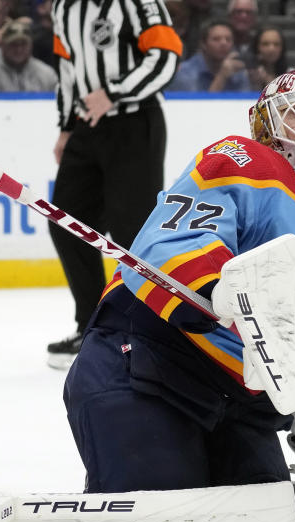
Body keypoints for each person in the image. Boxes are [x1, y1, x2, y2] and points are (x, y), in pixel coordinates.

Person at [62, 65, 295, 492]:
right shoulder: (242, 158)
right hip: (148, 365)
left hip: (240, 406)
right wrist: (216, 288)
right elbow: (175, 238)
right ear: (265, 121)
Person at [45, 0, 182, 368]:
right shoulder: (64, 7)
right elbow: (67, 69)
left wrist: (114, 91)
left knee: (133, 233)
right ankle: (92, 326)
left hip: (135, 124)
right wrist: (65, 127)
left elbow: (166, 56)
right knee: (66, 221)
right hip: (87, 126)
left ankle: (145, 330)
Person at [0, 19, 57, 90]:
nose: (19, 49)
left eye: (23, 44)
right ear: (2, 45)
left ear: (31, 45)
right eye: (13, 44)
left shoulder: (46, 74)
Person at [167, 19, 249, 91]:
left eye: (228, 39)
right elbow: (197, 107)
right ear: (203, 44)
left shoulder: (238, 72)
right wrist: (222, 76)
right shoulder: (184, 72)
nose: (224, 43)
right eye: (216, 39)